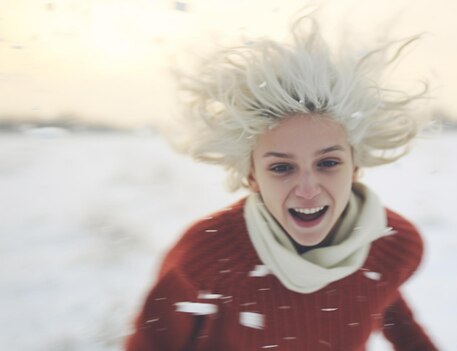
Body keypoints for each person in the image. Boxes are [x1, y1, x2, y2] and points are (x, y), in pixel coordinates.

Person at [126, 15, 438, 351]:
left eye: (328, 163)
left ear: (355, 166)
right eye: (281, 168)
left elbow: (381, 300)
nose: (307, 188)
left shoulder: (391, 244)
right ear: (251, 176)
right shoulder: (207, 254)